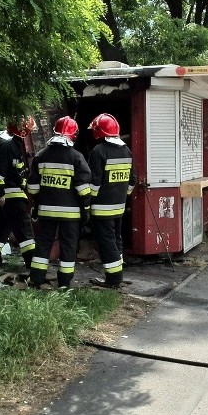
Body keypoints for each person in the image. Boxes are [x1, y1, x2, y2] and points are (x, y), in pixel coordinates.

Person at [25, 116, 91, 290]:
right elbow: (83, 189)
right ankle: (64, 283)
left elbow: (32, 187)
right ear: (73, 135)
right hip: (71, 215)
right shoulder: (76, 157)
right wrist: (85, 208)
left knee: (43, 244)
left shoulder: (41, 156)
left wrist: (37, 203)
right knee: (68, 245)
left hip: (46, 212)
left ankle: (36, 280)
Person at [87, 113, 136, 290]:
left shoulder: (99, 151)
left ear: (99, 131)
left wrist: (87, 201)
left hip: (101, 208)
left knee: (106, 242)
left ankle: (113, 279)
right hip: (119, 207)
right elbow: (132, 181)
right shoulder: (126, 150)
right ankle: (117, 273)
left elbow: (95, 183)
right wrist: (122, 196)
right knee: (116, 239)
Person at [0, 116, 37, 274]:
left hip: (11, 194)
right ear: (22, 130)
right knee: (25, 230)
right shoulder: (7, 144)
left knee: (2, 227)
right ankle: (33, 264)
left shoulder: (13, 141)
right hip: (10, 196)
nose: (29, 132)